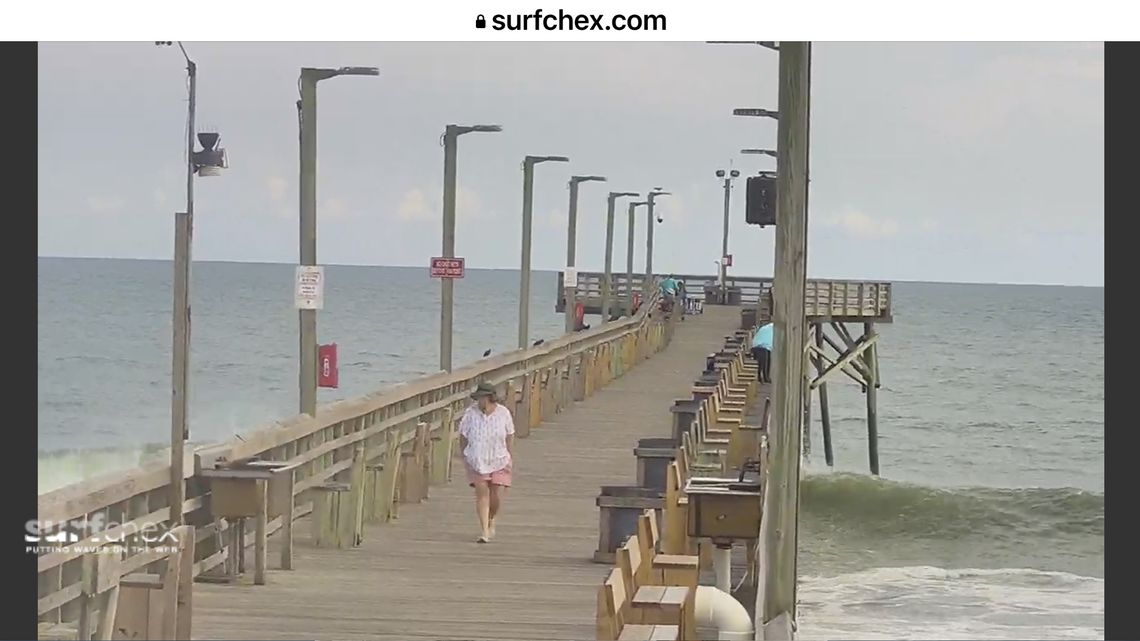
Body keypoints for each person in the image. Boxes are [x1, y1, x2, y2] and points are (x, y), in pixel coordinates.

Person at [458, 382, 515, 543]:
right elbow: (462, 435)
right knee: (482, 493)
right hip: (477, 458)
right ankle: (484, 530)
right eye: (478, 398)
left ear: (490, 397)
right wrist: (465, 454)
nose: (479, 401)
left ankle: (491, 519)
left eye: (482, 398)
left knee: (496, 493)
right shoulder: (470, 413)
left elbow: (510, 434)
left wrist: (510, 455)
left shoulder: (503, 413)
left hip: (499, 457)